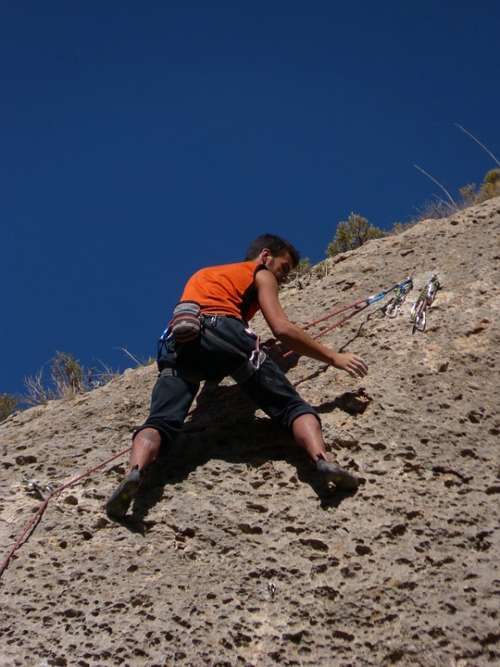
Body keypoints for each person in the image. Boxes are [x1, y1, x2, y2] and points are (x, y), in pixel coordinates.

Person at [106, 234, 368, 518]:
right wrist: (333, 357)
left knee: (160, 421)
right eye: (283, 269)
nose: (282, 279)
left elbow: (206, 343)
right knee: (291, 407)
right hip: (224, 332)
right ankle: (322, 460)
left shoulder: (206, 274)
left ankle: (135, 471)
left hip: (178, 343)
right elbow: (281, 328)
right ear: (265, 256)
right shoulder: (260, 273)